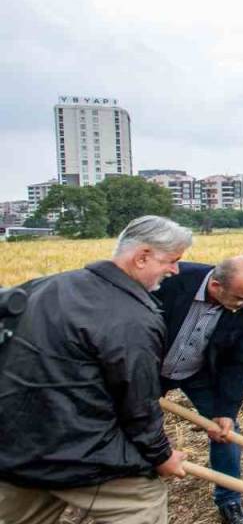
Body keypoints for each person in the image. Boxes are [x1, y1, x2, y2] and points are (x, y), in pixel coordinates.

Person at [0, 216, 191, 524]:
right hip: (85, 457)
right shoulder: (134, 318)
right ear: (142, 256)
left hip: (17, 453)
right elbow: (138, 404)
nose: (175, 270)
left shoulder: (41, 287)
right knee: (144, 505)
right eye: (172, 261)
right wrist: (162, 456)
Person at [156, 255, 243, 524]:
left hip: (198, 370)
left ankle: (230, 501)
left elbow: (241, 359)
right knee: (135, 428)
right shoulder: (170, 281)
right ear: (217, 287)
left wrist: (226, 410)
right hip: (150, 369)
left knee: (226, 431)